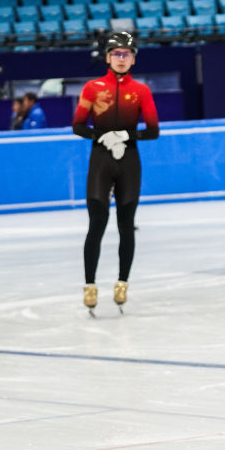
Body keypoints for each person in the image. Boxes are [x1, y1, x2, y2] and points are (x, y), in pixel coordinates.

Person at [71, 31, 159, 313]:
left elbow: (154, 130)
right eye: (117, 54)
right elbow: (78, 126)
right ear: (108, 57)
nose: (122, 59)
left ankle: (122, 283)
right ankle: (89, 286)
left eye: (127, 54)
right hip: (101, 160)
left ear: (133, 59)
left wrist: (126, 136)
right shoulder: (93, 88)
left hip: (128, 161)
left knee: (126, 225)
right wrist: (102, 136)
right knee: (96, 224)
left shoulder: (142, 91)